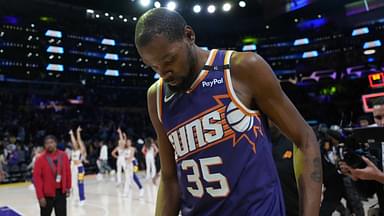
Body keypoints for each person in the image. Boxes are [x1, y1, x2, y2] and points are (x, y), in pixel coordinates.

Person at [135, 8, 322, 216]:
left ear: (189, 36)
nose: (163, 73)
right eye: (153, 67)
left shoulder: (242, 68)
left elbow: (305, 139)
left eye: (169, 60)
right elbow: (170, 179)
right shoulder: (157, 97)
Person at [33, 135, 71, 216]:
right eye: (47, 143)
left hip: (61, 193)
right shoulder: (40, 159)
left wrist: (68, 187)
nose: (49, 145)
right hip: (46, 194)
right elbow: (37, 179)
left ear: (56, 143)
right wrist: (40, 196)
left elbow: (68, 172)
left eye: (51, 142)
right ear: (44, 145)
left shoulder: (63, 155)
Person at [69, 127, 87, 206]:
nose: (74, 144)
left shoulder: (81, 150)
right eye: (74, 143)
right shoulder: (73, 151)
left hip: (79, 168)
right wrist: (71, 134)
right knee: (73, 184)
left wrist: (77, 132)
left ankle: (82, 199)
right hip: (73, 168)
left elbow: (79, 141)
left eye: (76, 143)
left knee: (80, 183)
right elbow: (73, 141)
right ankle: (76, 198)